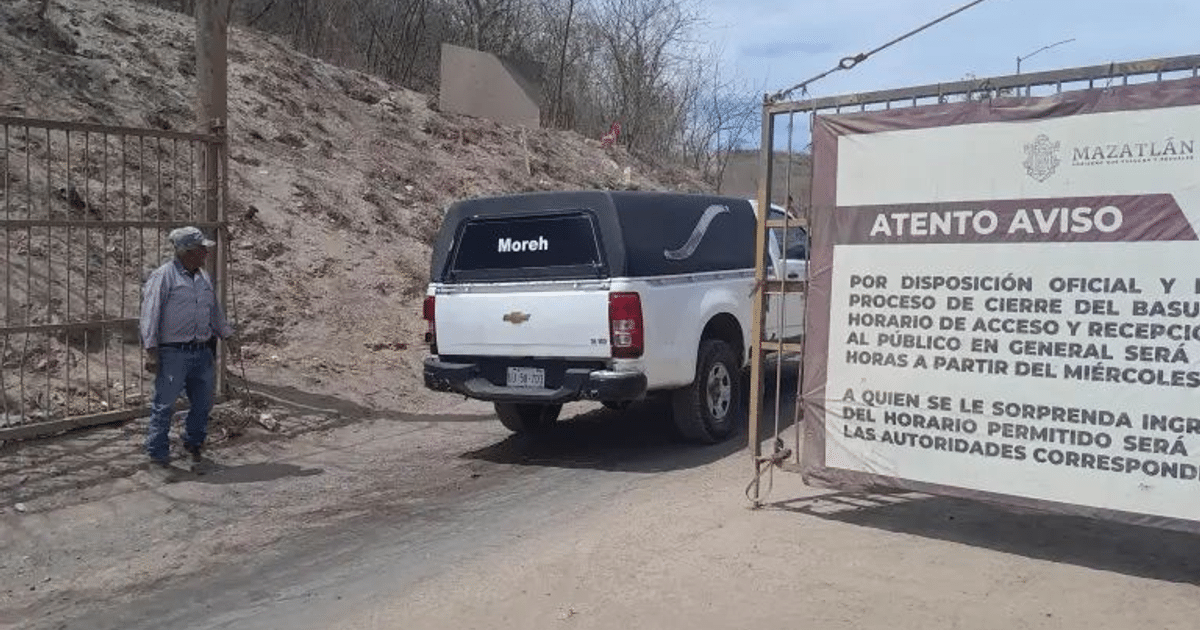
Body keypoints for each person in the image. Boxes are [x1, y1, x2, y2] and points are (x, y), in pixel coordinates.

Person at [139, 226, 234, 470]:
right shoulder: (164, 276)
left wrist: (227, 336)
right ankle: (158, 455)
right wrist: (151, 350)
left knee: (203, 403)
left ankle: (194, 445)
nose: (206, 253)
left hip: (202, 351)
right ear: (189, 251)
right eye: (202, 249)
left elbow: (213, 311)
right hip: (173, 352)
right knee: (164, 404)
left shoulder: (202, 277)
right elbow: (150, 313)